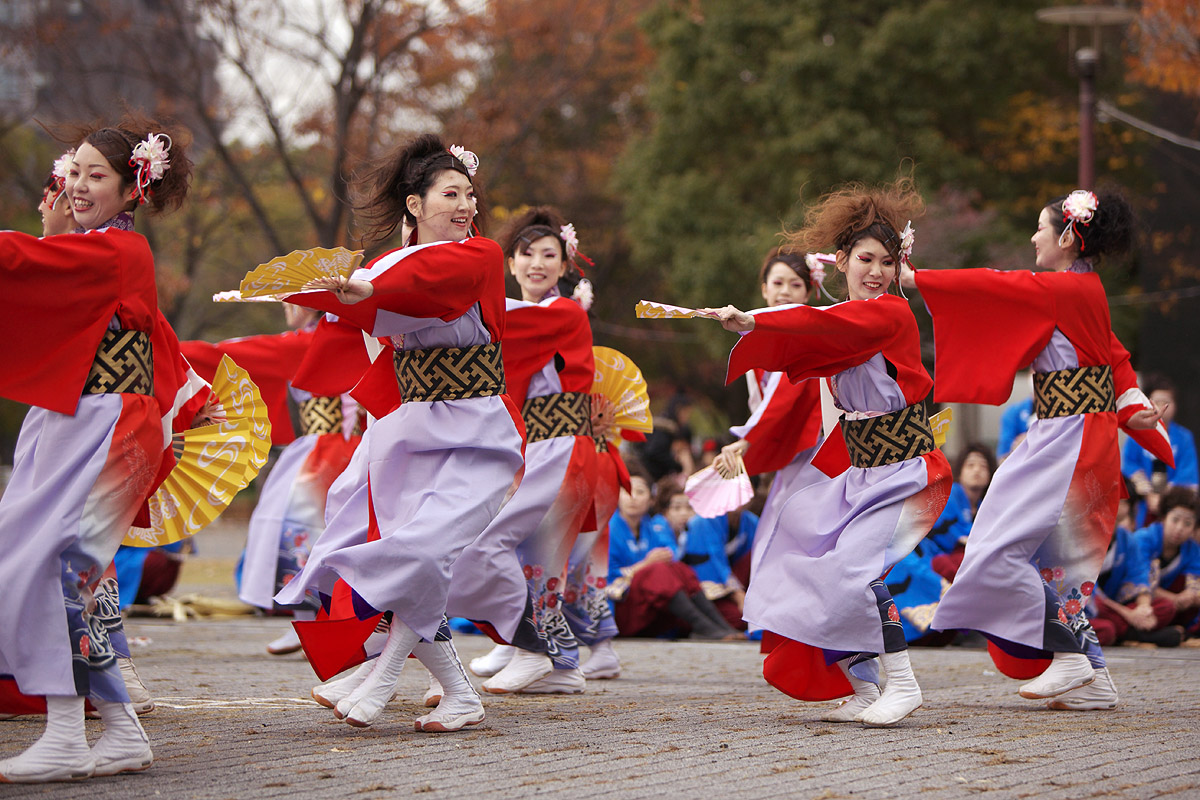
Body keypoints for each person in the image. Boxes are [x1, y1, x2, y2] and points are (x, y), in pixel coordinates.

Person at [271, 134, 524, 733]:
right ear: (415, 205)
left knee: (421, 551)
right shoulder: (387, 265)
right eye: (450, 194)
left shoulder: (481, 254)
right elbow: (381, 294)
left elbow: (432, 280)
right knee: (371, 538)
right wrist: (331, 290)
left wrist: (363, 288)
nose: (466, 204)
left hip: (478, 431)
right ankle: (456, 693)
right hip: (410, 431)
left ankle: (379, 675)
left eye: (469, 193)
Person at [906, 187, 1173, 712]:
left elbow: (994, 287)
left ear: (1069, 237)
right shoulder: (1081, 290)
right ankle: (1093, 681)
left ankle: (1070, 656)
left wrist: (916, 279)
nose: (1033, 236)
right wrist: (1132, 406)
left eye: (1041, 228)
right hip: (1066, 432)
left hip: (1070, 437)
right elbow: (1115, 357)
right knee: (1052, 563)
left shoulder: (1061, 290)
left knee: (998, 549)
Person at [704, 177, 951, 727]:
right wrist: (758, 324)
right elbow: (817, 338)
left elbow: (823, 326)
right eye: (866, 258)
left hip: (906, 470)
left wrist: (756, 320)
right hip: (861, 472)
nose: (877, 272)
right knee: (810, 565)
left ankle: (903, 682)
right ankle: (863, 687)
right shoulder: (846, 319)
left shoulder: (891, 314)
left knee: (856, 573)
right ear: (841, 259)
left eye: (888, 262)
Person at [0, 115, 200, 782]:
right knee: (56, 568)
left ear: (131, 189)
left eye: (96, 176)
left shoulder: (121, 251)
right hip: (67, 420)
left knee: (60, 568)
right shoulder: (86, 248)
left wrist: (43, 241)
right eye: (73, 172)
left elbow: (21, 263)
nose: (78, 185)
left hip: (110, 426)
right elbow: (40, 281)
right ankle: (120, 731)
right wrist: (51, 236)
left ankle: (65, 733)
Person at [446, 207, 597, 695]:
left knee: (506, 545)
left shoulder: (563, 312)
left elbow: (498, 327)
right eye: (526, 254)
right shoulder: (518, 314)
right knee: (528, 552)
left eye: (548, 255)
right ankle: (558, 664)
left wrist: (444, 298)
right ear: (510, 264)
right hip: (535, 447)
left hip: (562, 447)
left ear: (565, 265)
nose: (537, 263)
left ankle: (531, 647)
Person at [183, 303, 363, 655]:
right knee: (329, 533)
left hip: (327, 454)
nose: (287, 309)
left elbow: (226, 355)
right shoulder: (356, 336)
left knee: (304, 529)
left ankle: (313, 622)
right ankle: (318, 621)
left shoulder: (310, 341)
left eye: (291, 302)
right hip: (353, 447)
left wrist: (165, 350)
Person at [710, 248, 823, 587]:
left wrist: (746, 441)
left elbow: (783, 398)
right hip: (790, 451)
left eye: (795, 284)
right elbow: (763, 403)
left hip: (819, 450)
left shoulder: (811, 334)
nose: (785, 291)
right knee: (784, 535)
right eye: (777, 282)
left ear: (809, 293)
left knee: (799, 536)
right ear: (764, 289)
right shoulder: (757, 335)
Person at [606, 471, 740, 639]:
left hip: (652, 606)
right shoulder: (608, 529)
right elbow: (604, 577)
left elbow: (671, 554)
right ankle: (703, 626)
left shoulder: (653, 527)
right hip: (620, 606)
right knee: (657, 571)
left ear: (651, 500)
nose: (632, 496)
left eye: (640, 492)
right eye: (626, 490)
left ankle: (719, 626)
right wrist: (645, 565)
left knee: (679, 568)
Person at [888, 443, 996, 644]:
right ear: (960, 471)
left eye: (983, 466)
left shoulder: (986, 505)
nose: (977, 471)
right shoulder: (949, 494)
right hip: (923, 554)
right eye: (970, 465)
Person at [1087, 485, 1182, 649]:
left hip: (1117, 609)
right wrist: (1129, 615)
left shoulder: (1127, 539)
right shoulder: (1085, 535)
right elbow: (1090, 590)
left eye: (1122, 501)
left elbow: (1139, 576)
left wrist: (1143, 608)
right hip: (1089, 609)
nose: (1116, 505)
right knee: (1103, 622)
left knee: (1165, 607)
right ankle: (1138, 634)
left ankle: (1129, 633)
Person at [1122, 374, 1198, 525]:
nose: (1161, 407)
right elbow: (1127, 464)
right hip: (1142, 504)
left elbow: (1188, 474)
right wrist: (1148, 492)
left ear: (1175, 406)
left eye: (1167, 402)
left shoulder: (1184, 438)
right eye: (1156, 401)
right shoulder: (1136, 432)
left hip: (1173, 509)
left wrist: (1164, 497)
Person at [1135, 486, 1200, 637]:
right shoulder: (1143, 539)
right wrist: (1175, 599)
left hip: (1174, 605)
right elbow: (1141, 583)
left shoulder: (1192, 549)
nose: (1179, 528)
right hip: (1140, 601)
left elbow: (1194, 582)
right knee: (1166, 607)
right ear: (1164, 517)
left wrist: (1190, 595)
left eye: (1187, 524)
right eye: (1175, 520)